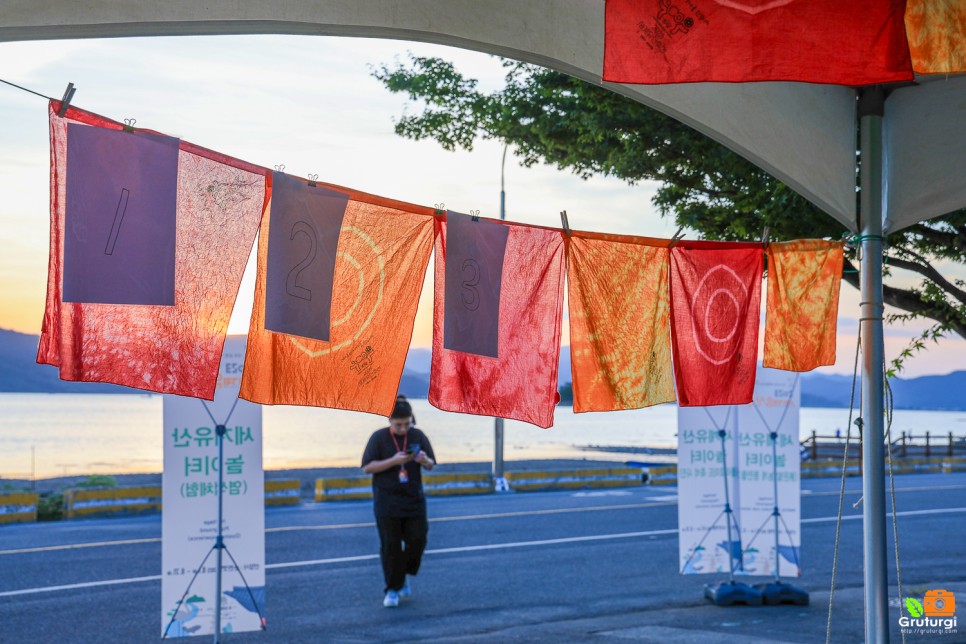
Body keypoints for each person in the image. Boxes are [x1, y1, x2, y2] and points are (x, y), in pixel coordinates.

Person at [361, 398, 436, 608]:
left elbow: (431, 464)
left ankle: (403, 576)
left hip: (414, 500)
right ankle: (393, 589)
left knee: (418, 540)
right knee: (391, 547)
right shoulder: (378, 438)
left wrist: (424, 460)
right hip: (387, 502)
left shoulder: (418, 435)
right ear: (390, 421)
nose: (403, 428)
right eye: (398, 424)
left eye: (407, 423)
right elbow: (367, 467)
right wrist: (393, 461)